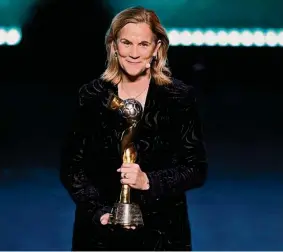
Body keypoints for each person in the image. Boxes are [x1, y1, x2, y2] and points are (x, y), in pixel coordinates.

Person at [60, 6, 208, 251]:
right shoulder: (92, 96)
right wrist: (99, 212)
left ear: (157, 49)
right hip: (99, 235)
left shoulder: (179, 98)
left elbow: (196, 168)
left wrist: (149, 181)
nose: (134, 53)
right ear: (113, 46)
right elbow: (71, 168)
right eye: (126, 43)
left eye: (143, 44)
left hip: (162, 234)